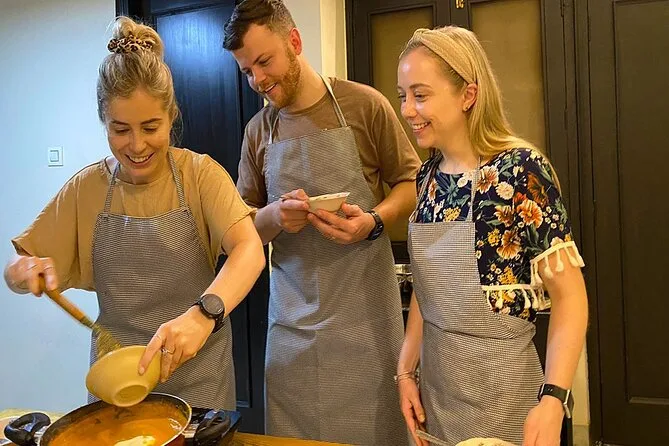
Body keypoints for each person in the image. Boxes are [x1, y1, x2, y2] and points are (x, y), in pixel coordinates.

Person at [2, 17, 265, 410]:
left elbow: (249, 249)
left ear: (171, 116)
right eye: (121, 130)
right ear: (104, 122)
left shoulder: (200, 176)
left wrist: (203, 314)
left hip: (199, 384)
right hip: (116, 390)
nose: (137, 145)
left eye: (150, 127)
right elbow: (17, 267)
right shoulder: (87, 188)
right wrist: (22, 272)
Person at [223, 0, 421, 443]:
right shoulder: (258, 132)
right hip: (292, 329)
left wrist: (373, 221)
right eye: (247, 71)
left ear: (294, 41)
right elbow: (241, 227)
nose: (258, 80)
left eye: (264, 62)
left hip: (366, 322)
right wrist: (274, 216)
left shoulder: (364, 105)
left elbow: (411, 183)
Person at [395, 26, 588, 446]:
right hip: (437, 395)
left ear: (468, 94)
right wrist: (405, 371)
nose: (407, 110)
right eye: (402, 96)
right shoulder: (427, 177)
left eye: (420, 95)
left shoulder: (520, 171)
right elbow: (427, 292)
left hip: (505, 396)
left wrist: (553, 399)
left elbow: (571, 297)